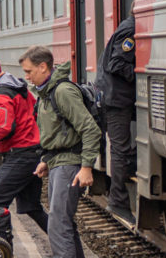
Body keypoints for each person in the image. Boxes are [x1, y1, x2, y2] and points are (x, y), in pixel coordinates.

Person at [21, 46, 101, 258]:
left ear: (43, 66)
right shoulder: (47, 93)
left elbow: (90, 129)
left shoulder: (62, 92)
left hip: (69, 164)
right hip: (58, 162)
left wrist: (86, 167)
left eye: (29, 71)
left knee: (58, 225)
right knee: (62, 223)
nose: (26, 76)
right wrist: (46, 160)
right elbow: (59, 132)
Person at [0, 53, 49, 233]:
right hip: (33, 152)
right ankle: (66, 242)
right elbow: (35, 113)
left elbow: (5, 126)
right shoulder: (19, 88)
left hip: (20, 155)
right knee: (32, 207)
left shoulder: (1, 95)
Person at [95, 13, 137, 226]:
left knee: (122, 148)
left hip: (115, 96)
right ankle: (118, 201)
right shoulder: (131, 30)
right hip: (116, 98)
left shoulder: (127, 26)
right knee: (119, 149)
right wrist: (140, 76)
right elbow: (116, 64)